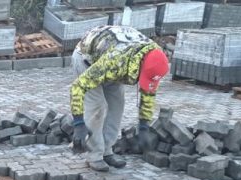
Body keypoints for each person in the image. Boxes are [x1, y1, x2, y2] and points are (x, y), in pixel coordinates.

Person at [69, 25, 169, 172]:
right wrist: (78, 123)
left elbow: (148, 94)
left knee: (117, 104)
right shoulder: (115, 61)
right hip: (86, 61)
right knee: (98, 106)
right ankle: (95, 155)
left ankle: (107, 150)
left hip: (115, 66)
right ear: (140, 66)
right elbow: (78, 87)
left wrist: (143, 126)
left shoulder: (156, 59)